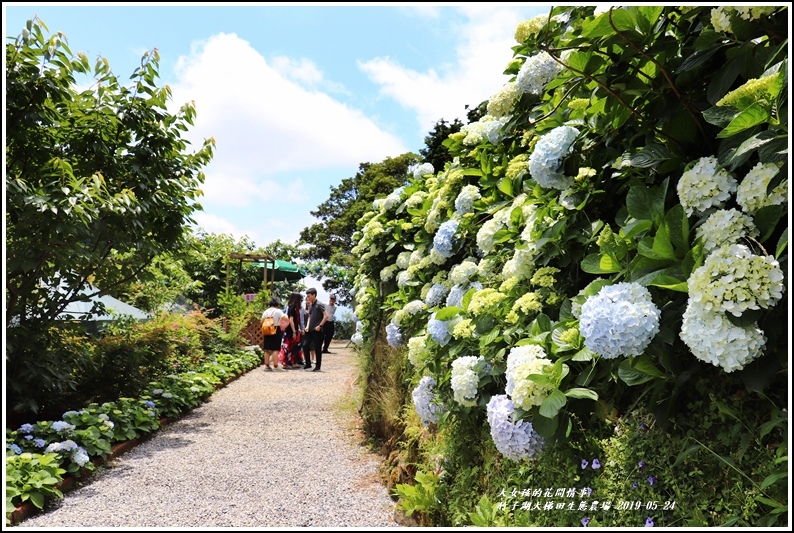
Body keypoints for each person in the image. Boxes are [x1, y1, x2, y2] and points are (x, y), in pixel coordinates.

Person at [303, 288, 328, 372]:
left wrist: (320, 326)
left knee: (317, 348)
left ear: (314, 295)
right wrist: (307, 326)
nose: (308, 297)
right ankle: (308, 363)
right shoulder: (311, 305)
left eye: (309, 296)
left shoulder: (319, 304)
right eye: (307, 296)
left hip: (317, 331)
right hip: (310, 330)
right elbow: (310, 316)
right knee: (305, 345)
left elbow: (326, 315)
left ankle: (318, 366)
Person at [279, 292, 304, 368]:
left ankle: (293, 362)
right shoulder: (291, 308)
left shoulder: (294, 308)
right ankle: (286, 363)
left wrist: (298, 328)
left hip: (295, 329)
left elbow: (296, 320)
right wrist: (294, 331)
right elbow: (291, 320)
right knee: (289, 346)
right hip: (290, 330)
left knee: (294, 346)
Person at [261, 297, 286, 371]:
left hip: (267, 330)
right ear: (277, 303)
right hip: (275, 329)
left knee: (267, 349)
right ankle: (276, 366)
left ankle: (267, 366)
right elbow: (285, 318)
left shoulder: (266, 311)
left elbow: (261, 321)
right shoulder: (278, 311)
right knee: (275, 348)